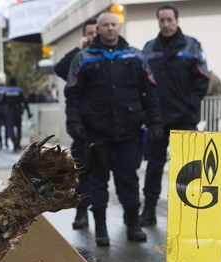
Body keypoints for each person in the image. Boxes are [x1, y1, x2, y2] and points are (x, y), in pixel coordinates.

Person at [65, 11, 163, 246]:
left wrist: (156, 120)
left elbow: (149, 92)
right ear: (97, 29)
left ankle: (133, 224)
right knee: (98, 181)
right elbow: (73, 94)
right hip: (96, 133)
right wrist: (74, 121)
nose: (110, 28)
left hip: (129, 132)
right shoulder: (84, 58)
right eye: (105, 25)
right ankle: (101, 229)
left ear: (119, 27)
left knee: (129, 180)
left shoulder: (136, 56)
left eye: (113, 24)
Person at [139, 4, 209, 228]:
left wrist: (190, 106)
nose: (166, 24)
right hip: (157, 119)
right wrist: (150, 114)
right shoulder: (149, 49)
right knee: (154, 165)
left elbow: (202, 80)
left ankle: (190, 213)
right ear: (158, 22)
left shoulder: (192, 46)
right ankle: (148, 210)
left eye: (170, 20)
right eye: (162, 20)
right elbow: (143, 82)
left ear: (177, 21)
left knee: (189, 167)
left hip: (184, 118)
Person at [55, 17, 97, 230]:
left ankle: (125, 218)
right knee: (81, 172)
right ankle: (82, 213)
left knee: (111, 173)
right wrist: (78, 49)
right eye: (89, 33)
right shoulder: (78, 59)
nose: (93, 36)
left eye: (95, 32)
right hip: (83, 125)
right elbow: (60, 68)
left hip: (109, 127)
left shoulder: (113, 54)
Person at [0, 77, 32, 152]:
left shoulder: (6, 91)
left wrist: (4, 109)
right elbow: (25, 102)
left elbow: (0, 102)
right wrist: (29, 112)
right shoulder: (19, 90)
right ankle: (18, 142)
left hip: (9, 112)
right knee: (19, 128)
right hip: (18, 111)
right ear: (15, 83)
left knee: (10, 128)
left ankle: (14, 143)